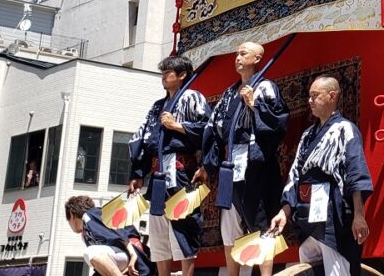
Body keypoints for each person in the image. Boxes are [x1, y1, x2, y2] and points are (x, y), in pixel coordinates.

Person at [197, 42, 289, 276]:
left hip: (255, 166)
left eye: (243, 53)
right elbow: (214, 128)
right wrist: (208, 165)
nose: (237, 57)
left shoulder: (266, 87)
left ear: (258, 58)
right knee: (229, 228)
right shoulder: (229, 93)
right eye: (236, 53)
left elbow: (279, 123)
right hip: (230, 167)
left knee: (261, 223)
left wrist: (255, 105)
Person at [269, 76, 373, 276]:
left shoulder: (345, 129)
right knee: (309, 267)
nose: (310, 101)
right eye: (309, 96)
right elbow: (294, 175)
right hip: (307, 216)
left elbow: (356, 173)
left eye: (315, 96)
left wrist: (359, 215)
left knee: (337, 271)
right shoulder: (307, 135)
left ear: (332, 96)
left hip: (333, 217)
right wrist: (284, 212)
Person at [128, 56, 211, 276]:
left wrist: (177, 126)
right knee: (157, 228)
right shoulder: (157, 106)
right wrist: (137, 173)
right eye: (162, 73)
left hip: (182, 168)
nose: (163, 77)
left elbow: (208, 131)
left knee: (184, 224)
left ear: (182, 74)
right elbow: (144, 138)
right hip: (157, 172)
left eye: (168, 73)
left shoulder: (193, 98)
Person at [66, 195, 153, 276]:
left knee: (90, 252)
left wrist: (133, 255)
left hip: (129, 253)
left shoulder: (90, 215)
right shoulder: (86, 231)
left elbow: (120, 232)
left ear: (71, 214)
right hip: (122, 255)